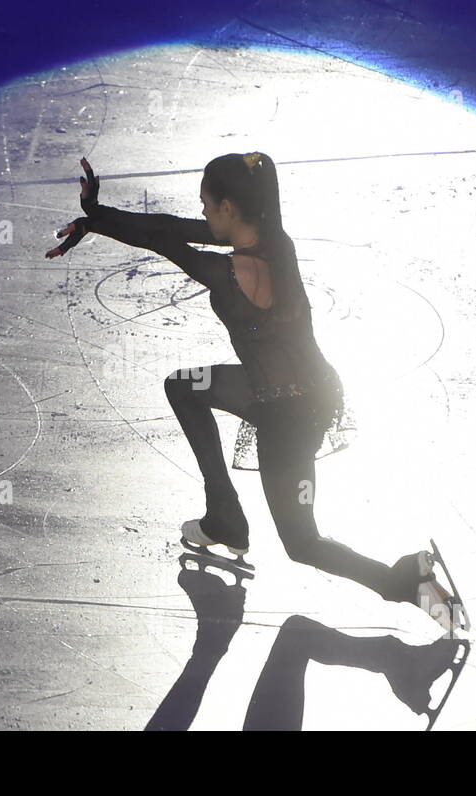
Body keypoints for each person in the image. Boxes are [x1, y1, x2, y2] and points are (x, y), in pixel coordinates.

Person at [47, 153, 447, 611]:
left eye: (205, 203)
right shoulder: (274, 238)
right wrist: (97, 217)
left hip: (287, 417)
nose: (200, 212)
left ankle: (402, 583)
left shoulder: (232, 274)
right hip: (306, 387)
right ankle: (224, 517)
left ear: (228, 209)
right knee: (184, 385)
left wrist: (97, 222)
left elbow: (166, 241)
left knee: (303, 544)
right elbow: (174, 226)